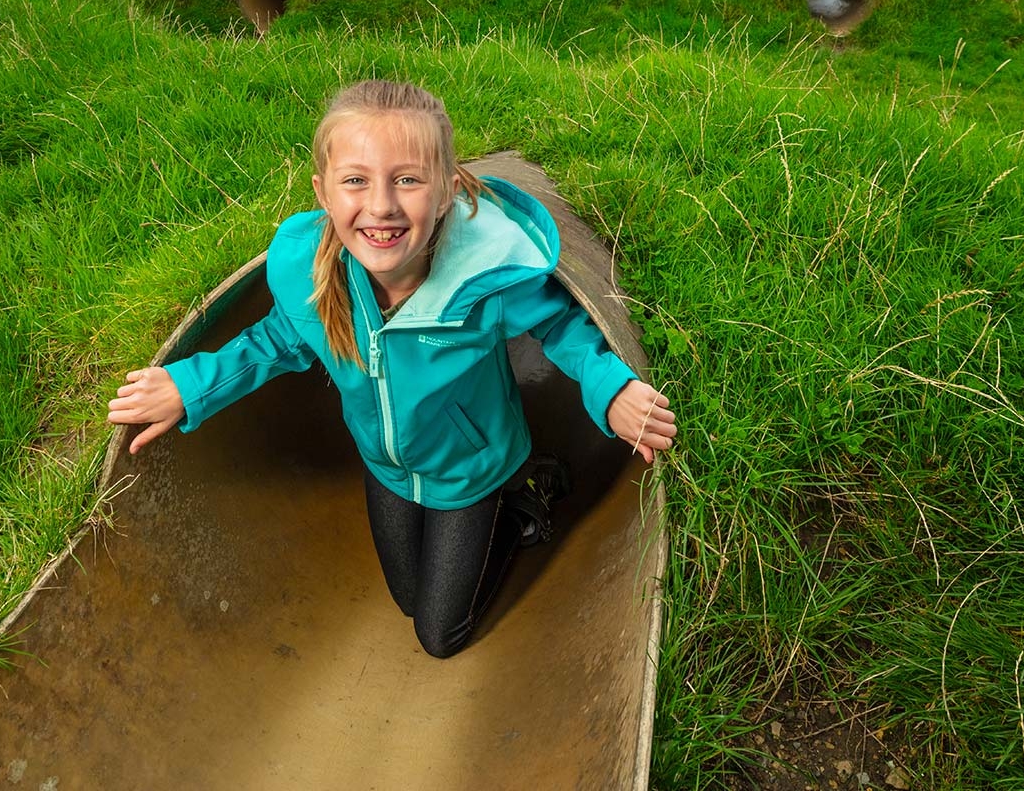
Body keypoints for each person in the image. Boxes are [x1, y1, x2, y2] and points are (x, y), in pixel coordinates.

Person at [107, 80, 677, 658]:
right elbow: (278, 339)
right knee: (407, 598)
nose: (381, 205)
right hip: (386, 467)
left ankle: (523, 497)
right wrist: (188, 386)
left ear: (448, 192)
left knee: (438, 635)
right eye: (356, 180)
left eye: (407, 179)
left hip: (469, 471)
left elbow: (561, 325)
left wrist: (612, 390)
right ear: (323, 194)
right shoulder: (313, 273)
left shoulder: (482, 281)